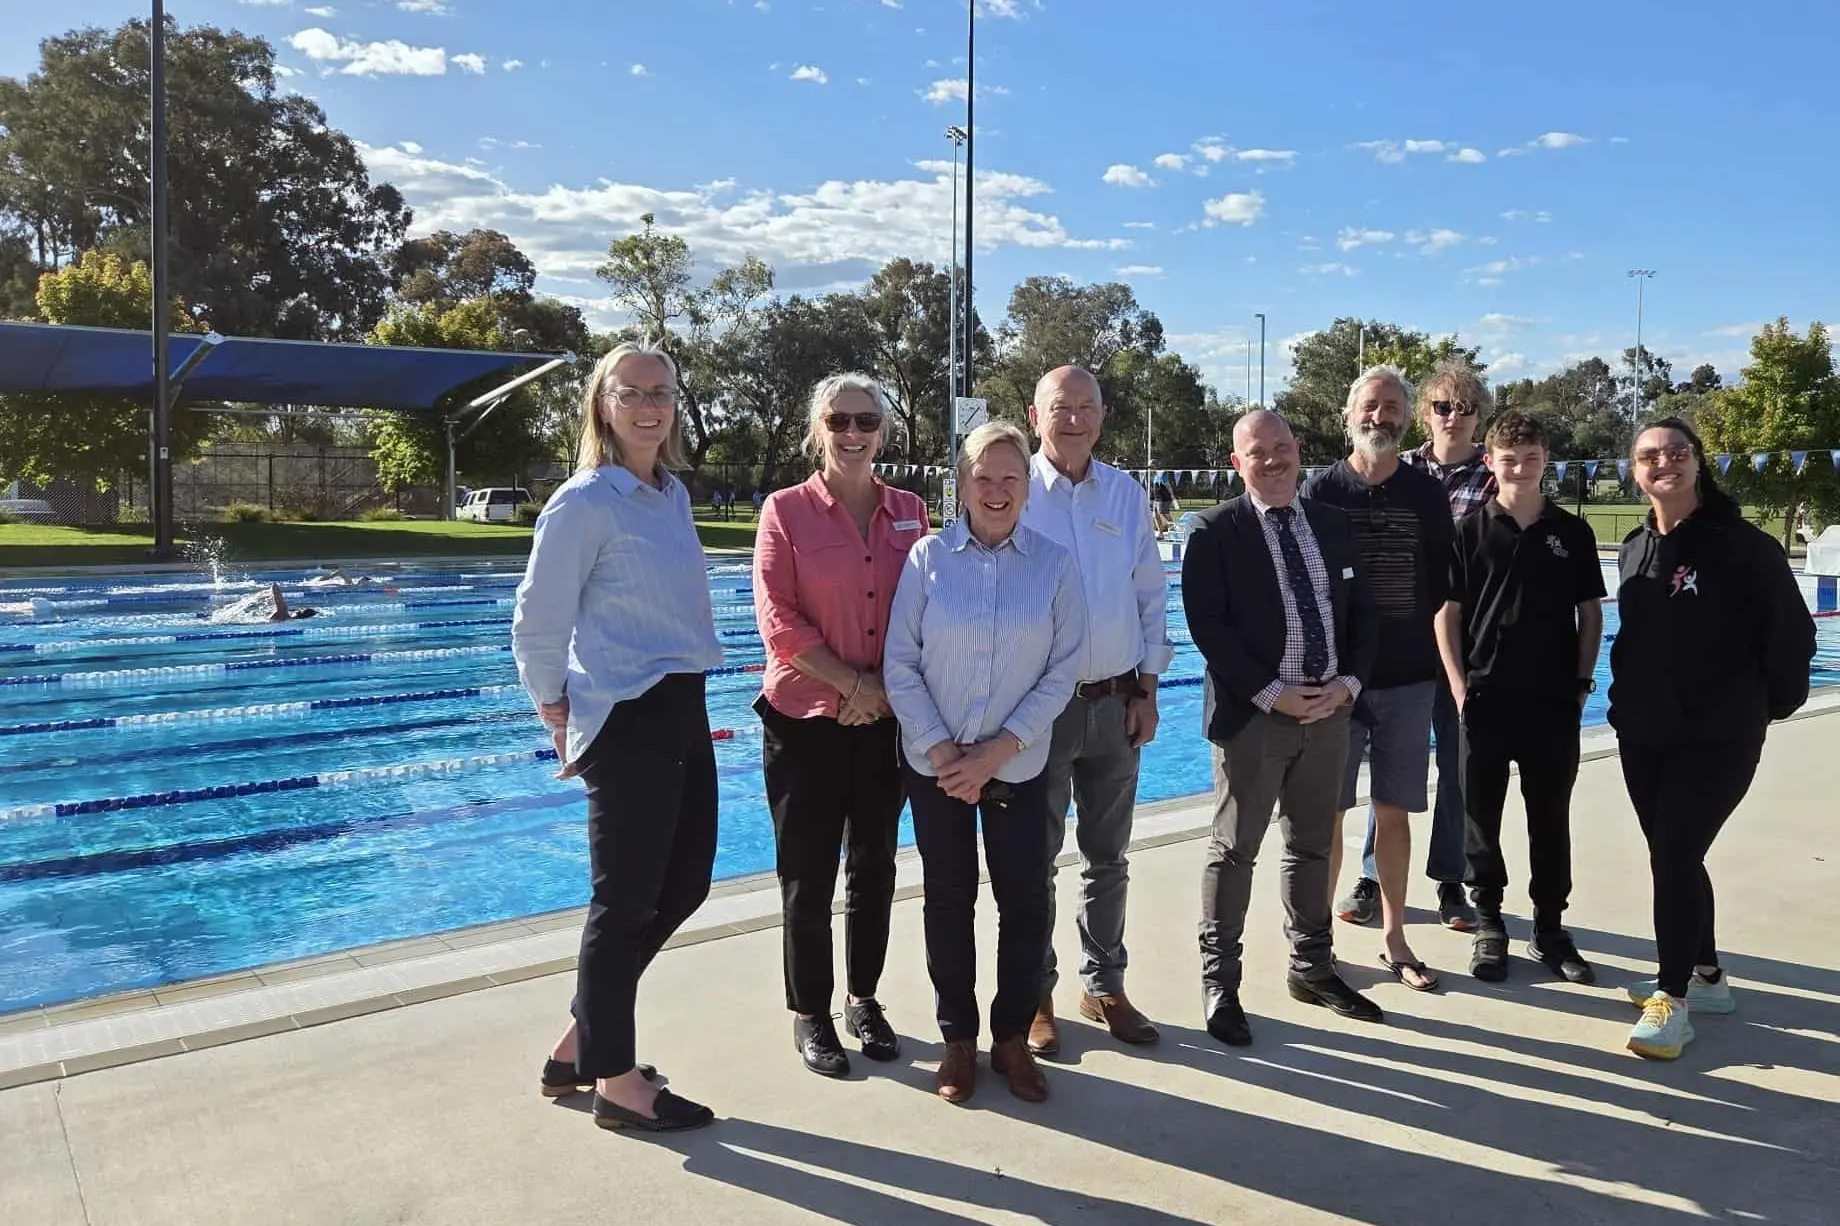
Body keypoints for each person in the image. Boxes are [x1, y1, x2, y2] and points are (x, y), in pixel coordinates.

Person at [512, 340, 724, 1132]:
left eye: (661, 392)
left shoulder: (667, 494)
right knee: (624, 902)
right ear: (603, 404)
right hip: (627, 713)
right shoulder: (584, 502)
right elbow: (537, 620)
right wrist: (552, 708)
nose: (648, 406)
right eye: (630, 392)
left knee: (686, 883)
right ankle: (617, 1084)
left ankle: (581, 1042)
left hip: (681, 705)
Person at [883, 420, 1086, 1104]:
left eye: (1010, 477)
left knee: (1026, 904)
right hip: (936, 766)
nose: (996, 490)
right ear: (961, 484)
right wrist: (944, 751)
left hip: (1019, 765)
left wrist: (1000, 748)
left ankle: (1008, 1040)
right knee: (948, 901)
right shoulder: (928, 559)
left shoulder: (1055, 565)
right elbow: (900, 663)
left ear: (1028, 486)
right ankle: (958, 1040)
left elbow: (1064, 672)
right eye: (983, 477)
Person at [1609, 418, 1815, 1060]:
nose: (1663, 462)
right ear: (1634, 472)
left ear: (1698, 462)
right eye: (1649, 456)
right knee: (1673, 855)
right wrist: (1621, 705)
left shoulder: (1742, 545)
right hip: (1645, 733)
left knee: (1673, 853)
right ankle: (1707, 977)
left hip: (1717, 736)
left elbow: (1791, 636)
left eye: (1676, 451)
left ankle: (1672, 999)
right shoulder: (1636, 546)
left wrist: (1767, 706)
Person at [1181, 409, 1382, 1048]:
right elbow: (1208, 629)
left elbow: (1365, 615)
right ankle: (1221, 980)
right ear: (1236, 463)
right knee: (1235, 849)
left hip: (1329, 715)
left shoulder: (1333, 525)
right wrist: (1275, 696)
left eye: (1281, 447)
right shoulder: (1215, 531)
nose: (1271, 460)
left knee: (1314, 845)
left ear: (1299, 451)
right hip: (1256, 719)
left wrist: (1348, 686)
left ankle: (1312, 966)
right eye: (1255, 451)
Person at [752, 373, 928, 1077]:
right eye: (839, 421)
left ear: (883, 432)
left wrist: (883, 692)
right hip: (805, 719)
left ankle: (864, 998)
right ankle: (811, 1013)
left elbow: (927, 608)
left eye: (865, 421)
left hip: (884, 718)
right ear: (817, 429)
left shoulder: (910, 510)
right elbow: (779, 622)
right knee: (808, 873)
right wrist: (854, 684)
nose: (852, 433)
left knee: (876, 867)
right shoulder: (785, 511)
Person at [1019, 365, 1173, 1057]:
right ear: (1035, 415)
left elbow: (1148, 596)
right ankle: (1037, 993)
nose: (1074, 419)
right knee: (1035, 861)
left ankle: (1103, 984)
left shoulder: (1124, 492)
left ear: (1103, 416)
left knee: (1107, 859)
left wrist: (1148, 689)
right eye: (1061, 407)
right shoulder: (1012, 490)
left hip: (1115, 702)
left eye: (1086, 407)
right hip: (1038, 711)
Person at [1434, 411, 1604, 985]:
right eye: (1509, 460)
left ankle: (1551, 928)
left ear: (1545, 461)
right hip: (1484, 698)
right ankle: (1489, 924)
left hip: (1553, 702)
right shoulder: (1468, 532)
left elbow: (1590, 614)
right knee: (1482, 817)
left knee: (1550, 817)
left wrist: (1581, 687)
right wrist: (1459, 689)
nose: (1521, 469)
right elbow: (1447, 615)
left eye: (1531, 459)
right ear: (1490, 463)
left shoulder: (1571, 532)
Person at [1304, 368, 1453, 992]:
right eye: (1371, 406)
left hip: (1407, 679)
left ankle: (1395, 935)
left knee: (1394, 812)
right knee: (1327, 814)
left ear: (1405, 419)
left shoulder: (1426, 493)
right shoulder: (1318, 493)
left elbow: (1444, 587)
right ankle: (1320, 940)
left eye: (1392, 408)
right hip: (1336, 683)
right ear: (1349, 415)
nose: (1381, 417)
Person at [1340, 359, 1496, 933]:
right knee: (1388, 772)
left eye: (1465, 407)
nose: (1452, 417)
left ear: (1479, 416)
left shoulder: (1495, 476)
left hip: (1462, 643)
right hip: (1396, 648)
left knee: (1456, 767)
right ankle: (1372, 876)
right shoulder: (1393, 468)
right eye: (1441, 406)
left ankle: (1450, 880)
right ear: (1423, 415)